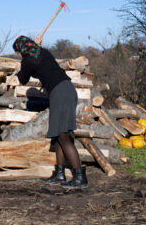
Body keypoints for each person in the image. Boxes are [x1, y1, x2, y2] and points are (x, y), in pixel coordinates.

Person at [13, 35, 88, 189]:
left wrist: (18, 70)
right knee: (57, 134)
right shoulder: (43, 52)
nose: (18, 56)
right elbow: (38, 57)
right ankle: (60, 174)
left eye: (17, 53)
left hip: (60, 92)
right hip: (65, 89)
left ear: (21, 50)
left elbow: (23, 80)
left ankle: (80, 176)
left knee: (64, 136)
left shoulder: (27, 62)